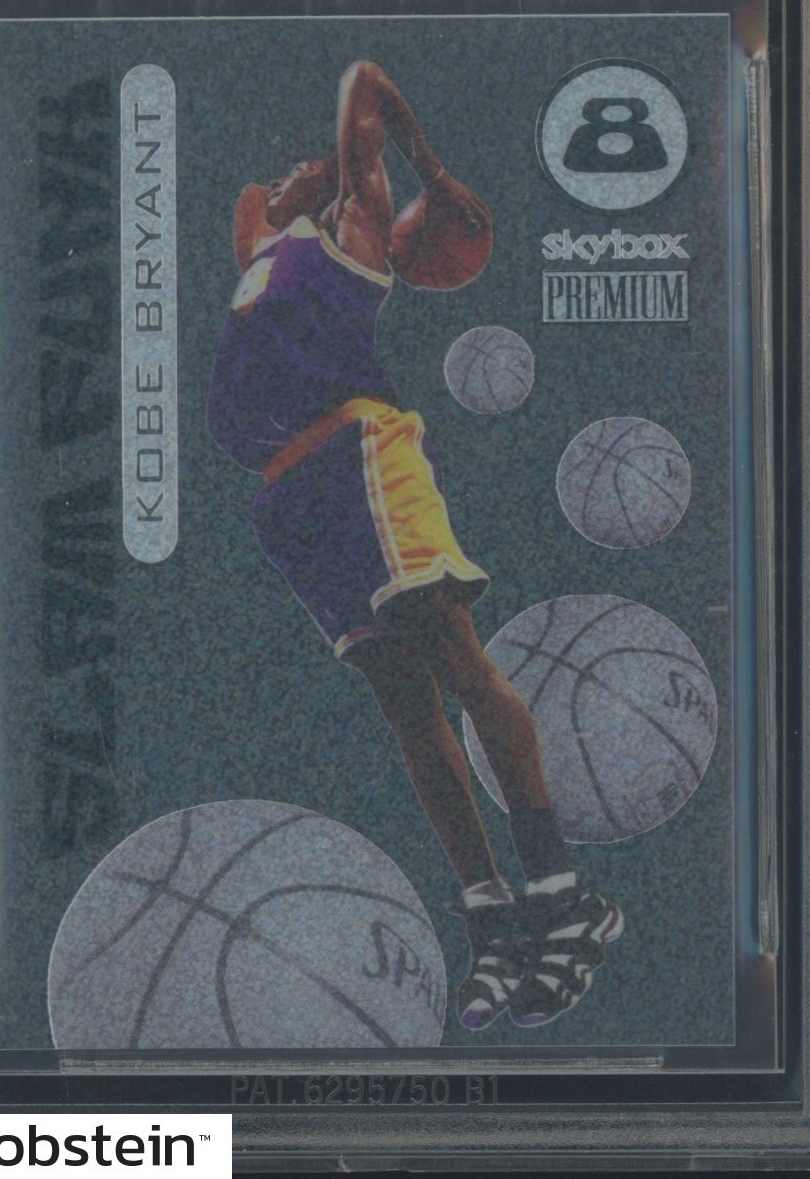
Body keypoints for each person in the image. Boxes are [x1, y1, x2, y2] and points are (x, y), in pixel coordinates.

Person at [207, 60, 623, 1030]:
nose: (296, 171)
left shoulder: (358, 232)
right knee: (403, 702)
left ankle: (564, 896)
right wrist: (291, 192)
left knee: (458, 660)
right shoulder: (266, 251)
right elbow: (249, 206)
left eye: (315, 167)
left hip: (360, 450)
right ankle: (492, 919)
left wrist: (429, 174)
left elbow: (361, 83)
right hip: (289, 495)